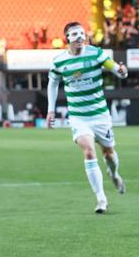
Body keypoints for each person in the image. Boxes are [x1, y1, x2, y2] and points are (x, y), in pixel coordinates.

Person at [46, 22, 128, 214]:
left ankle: (114, 174)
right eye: (75, 34)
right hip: (78, 117)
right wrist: (51, 110)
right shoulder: (59, 61)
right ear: (67, 38)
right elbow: (52, 83)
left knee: (108, 153)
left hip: (100, 115)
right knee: (89, 152)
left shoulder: (96, 54)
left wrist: (123, 71)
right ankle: (101, 199)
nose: (80, 37)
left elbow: (117, 70)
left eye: (82, 34)